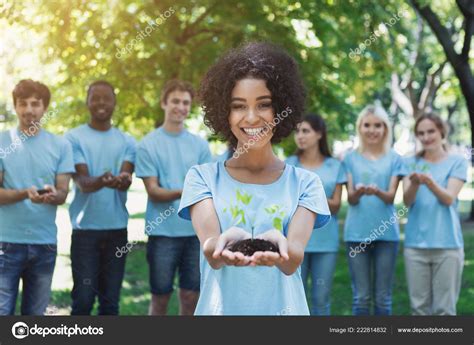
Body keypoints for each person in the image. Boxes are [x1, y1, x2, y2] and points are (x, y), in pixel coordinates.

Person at [178, 42, 331, 315]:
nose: (251, 118)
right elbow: (212, 251)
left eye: (264, 105)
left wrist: (278, 243)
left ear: (282, 109)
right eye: (238, 106)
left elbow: (292, 260)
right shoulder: (201, 178)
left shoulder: (306, 184)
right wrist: (225, 243)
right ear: (224, 112)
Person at [136, 79, 212, 315]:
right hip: (162, 233)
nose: (181, 107)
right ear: (164, 103)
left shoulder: (200, 145)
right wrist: (186, 191)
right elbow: (154, 191)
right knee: (160, 297)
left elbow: (206, 189)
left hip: (194, 234)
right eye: (176, 101)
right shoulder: (148, 144)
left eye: (186, 103)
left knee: (190, 296)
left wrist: (187, 192)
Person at [0, 79, 74, 315]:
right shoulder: (2, 142)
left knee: (35, 317)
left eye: (35, 104)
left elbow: (63, 193)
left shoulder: (61, 145)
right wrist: (24, 193)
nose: (29, 110)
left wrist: (53, 195)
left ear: (45, 108)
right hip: (6, 242)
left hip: (44, 244)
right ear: (15, 106)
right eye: (23, 104)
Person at [65, 80, 136, 315]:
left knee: (110, 303)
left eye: (107, 98)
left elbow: (126, 178)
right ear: (87, 102)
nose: (101, 103)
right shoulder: (73, 138)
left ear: (115, 102)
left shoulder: (127, 141)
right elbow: (83, 183)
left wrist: (122, 180)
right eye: (95, 98)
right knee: (83, 301)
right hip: (85, 231)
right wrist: (102, 181)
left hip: (117, 231)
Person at [343, 103, 406, 315]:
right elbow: (351, 199)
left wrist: (377, 191)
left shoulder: (395, 158)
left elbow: (390, 198)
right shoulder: (350, 158)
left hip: (386, 236)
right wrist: (359, 192)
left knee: (383, 298)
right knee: (361, 297)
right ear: (360, 128)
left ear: (385, 129)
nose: (372, 130)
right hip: (356, 234)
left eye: (378, 125)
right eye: (367, 125)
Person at [403, 113, 467, 315]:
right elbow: (407, 201)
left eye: (430, 131)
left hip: (447, 245)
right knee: (419, 308)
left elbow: (448, 198)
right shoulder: (409, 162)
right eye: (421, 133)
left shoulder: (457, 162)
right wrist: (413, 183)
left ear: (441, 131)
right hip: (415, 245)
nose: (426, 137)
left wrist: (430, 183)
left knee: (445, 310)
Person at [286, 113, 346, 315]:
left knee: (321, 300)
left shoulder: (335, 165)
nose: (300, 136)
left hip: (325, 243)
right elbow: (285, 202)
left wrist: (305, 198)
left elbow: (336, 205)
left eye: (306, 131)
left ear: (319, 134)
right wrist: (319, 200)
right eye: (297, 131)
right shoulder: (288, 164)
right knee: (294, 300)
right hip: (293, 242)